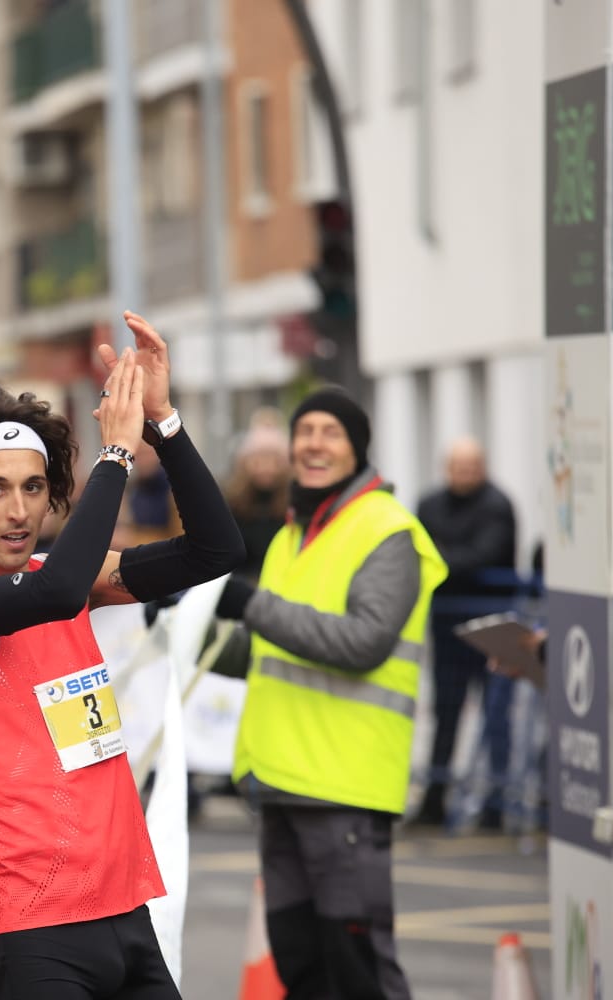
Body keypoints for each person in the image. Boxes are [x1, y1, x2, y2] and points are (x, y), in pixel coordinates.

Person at [0, 311, 245, 1000]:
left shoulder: (69, 575)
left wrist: (163, 423)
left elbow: (217, 551)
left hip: (124, 914)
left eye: (32, 487)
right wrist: (114, 454)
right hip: (29, 936)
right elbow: (52, 594)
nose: (19, 510)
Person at [214, 387, 448, 1000]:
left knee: (358, 966)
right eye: (305, 431)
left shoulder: (388, 531)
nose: (313, 443)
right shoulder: (298, 532)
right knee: (302, 963)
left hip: (343, 782)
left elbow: (363, 643)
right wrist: (185, 635)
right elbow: (271, 652)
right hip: (281, 777)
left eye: (331, 432)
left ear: (358, 449)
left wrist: (253, 605)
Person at [413, 437, 518, 831]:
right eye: (459, 467)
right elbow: (418, 550)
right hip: (448, 625)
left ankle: (497, 805)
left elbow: (484, 555)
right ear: (446, 467)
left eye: (472, 467)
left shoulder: (497, 505)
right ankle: (434, 799)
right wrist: (450, 561)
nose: (465, 474)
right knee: (446, 712)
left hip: (492, 627)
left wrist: (443, 560)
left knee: (496, 717)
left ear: (483, 467)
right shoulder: (430, 504)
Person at [224, 411, 293, 582]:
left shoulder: (293, 504)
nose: (266, 467)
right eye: (259, 460)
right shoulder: (232, 503)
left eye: (273, 460)